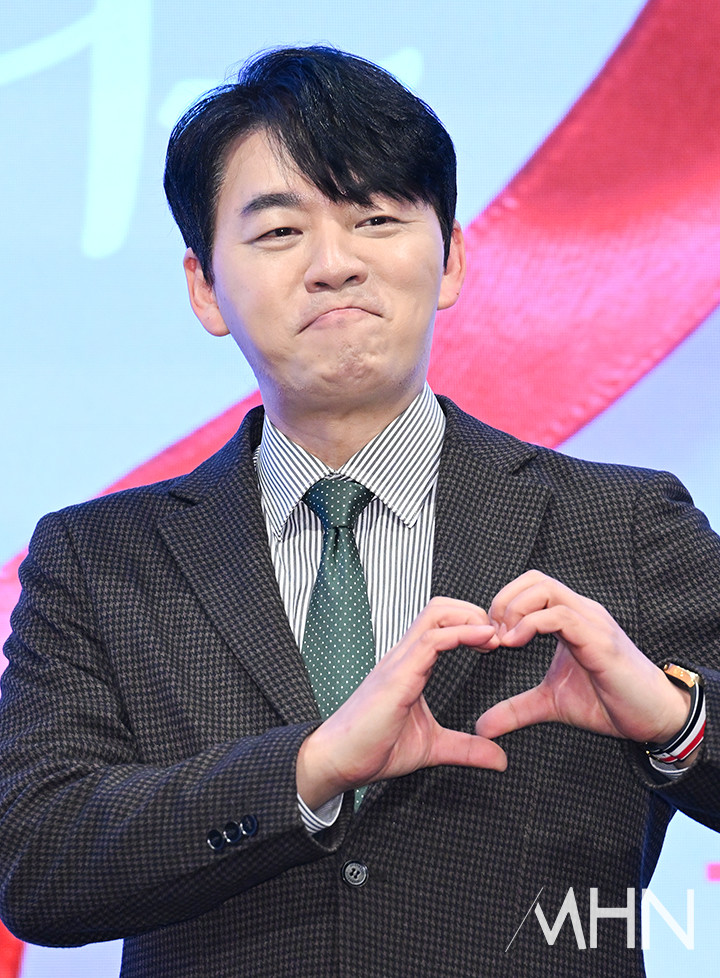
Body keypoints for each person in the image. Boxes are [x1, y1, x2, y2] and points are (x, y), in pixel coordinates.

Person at [1, 45, 719, 978]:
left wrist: (674, 720)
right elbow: (36, 858)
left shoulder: (625, 524)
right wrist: (309, 767)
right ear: (204, 288)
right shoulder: (101, 559)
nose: (334, 265)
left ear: (452, 258)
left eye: (375, 218)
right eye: (278, 232)